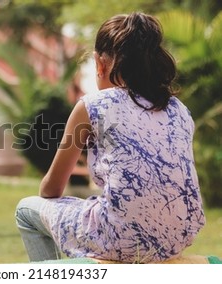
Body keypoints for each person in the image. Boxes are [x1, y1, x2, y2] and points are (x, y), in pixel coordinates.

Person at [15, 12, 205, 263]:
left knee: (26, 210)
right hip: (179, 236)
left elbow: (52, 189)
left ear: (100, 63)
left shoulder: (93, 105)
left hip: (118, 237)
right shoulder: (179, 110)